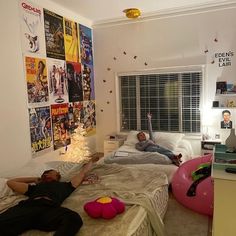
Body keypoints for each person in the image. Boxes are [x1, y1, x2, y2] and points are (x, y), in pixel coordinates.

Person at [0, 160, 94, 236]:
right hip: (28, 207)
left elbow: (83, 172)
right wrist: (33, 179)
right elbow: (11, 183)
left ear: (57, 175)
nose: (46, 175)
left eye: (49, 173)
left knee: (73, 218)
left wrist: (92, 160)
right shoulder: (34, 187)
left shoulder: (66, 185)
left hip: (48, 209)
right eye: (44, 174)